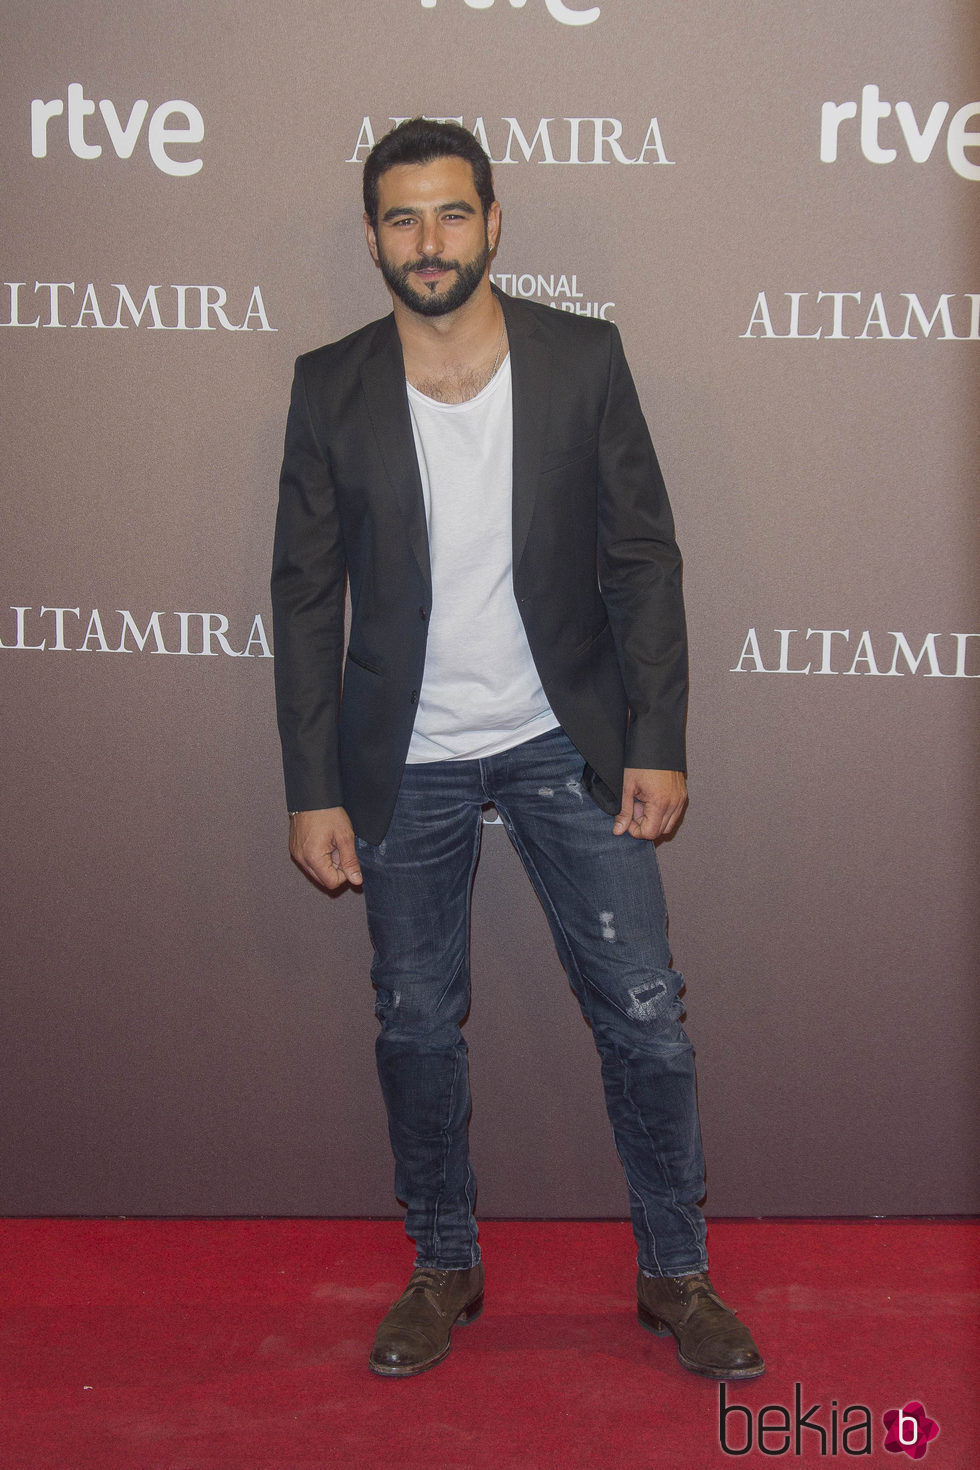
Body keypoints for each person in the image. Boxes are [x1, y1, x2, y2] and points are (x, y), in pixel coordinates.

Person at [271, 118, 763, 1382]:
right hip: (406, 757)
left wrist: (658, 737)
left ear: (493, 224)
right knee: (416, 1029)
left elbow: (642, 558)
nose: (426, 243)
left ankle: (674, 1273)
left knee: (647, 1022)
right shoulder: (327, 384)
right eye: (400, 218)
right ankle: (443, 1266)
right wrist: (311, 787)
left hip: (566, 739)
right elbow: (304, 596)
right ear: (373, 236)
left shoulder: (581, 359)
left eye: (450, 215)